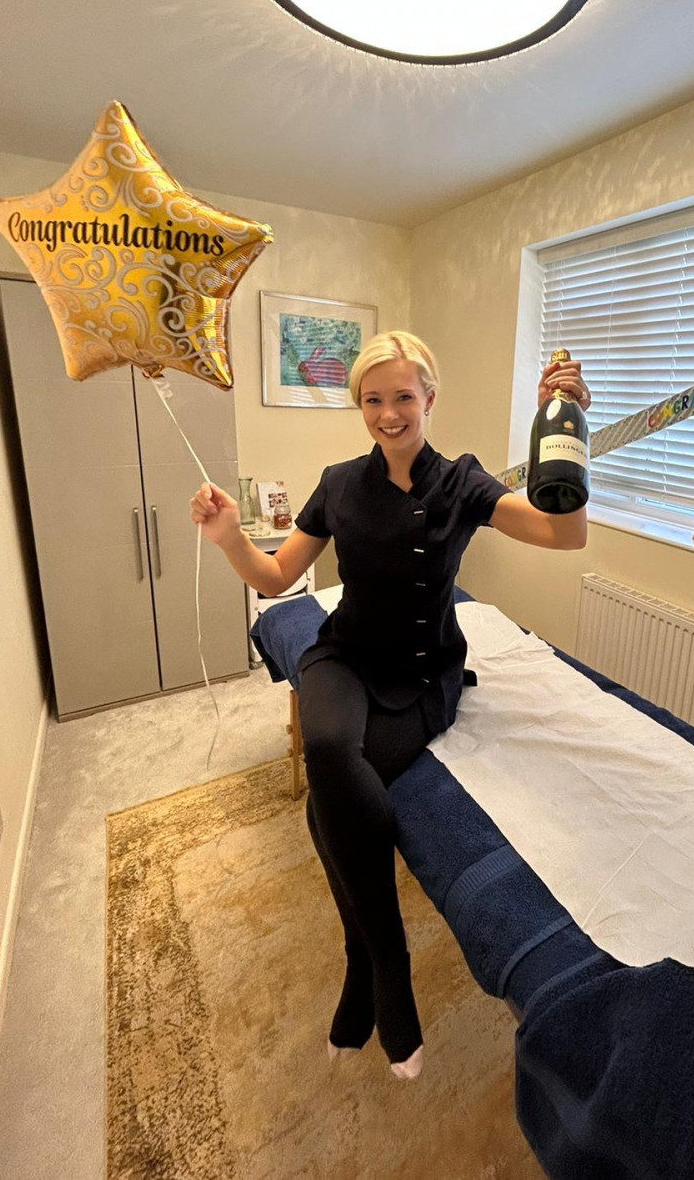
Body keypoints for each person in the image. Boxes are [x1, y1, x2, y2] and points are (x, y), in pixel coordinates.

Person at [190, 331, 590, 1081]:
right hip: (343, 656)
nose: (388, 412)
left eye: (403, 396)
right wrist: (227, 536)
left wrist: (564, 427)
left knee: (327, 809)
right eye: (373, 399)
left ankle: (356, 967)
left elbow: (564, 533)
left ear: (429, 398)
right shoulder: (339, 481)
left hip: (421, 672)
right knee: (330, 751)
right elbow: (276, 577)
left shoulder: (463, 483)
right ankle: (389, 967)